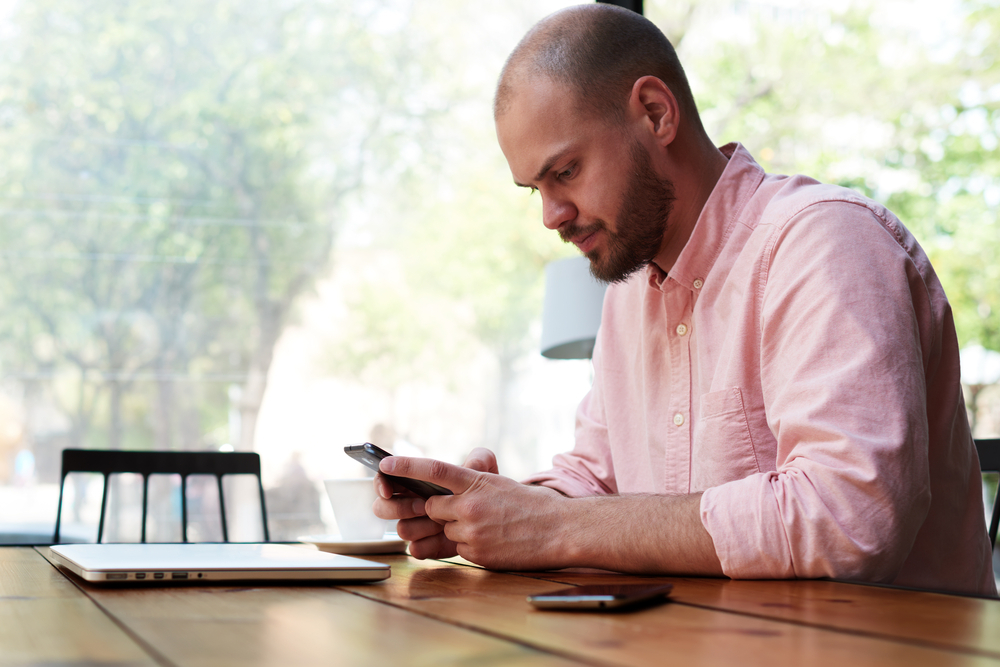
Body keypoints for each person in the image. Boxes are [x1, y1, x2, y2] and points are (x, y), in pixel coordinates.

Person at [373, 4, 997, 596]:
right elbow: (596, 482)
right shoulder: (628, 295)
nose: (551, 216)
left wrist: (553, 527)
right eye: (534, 188)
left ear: (655, 113)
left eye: (565, 172)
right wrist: (487, 507)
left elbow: (852, 516)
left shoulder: (825, 241)